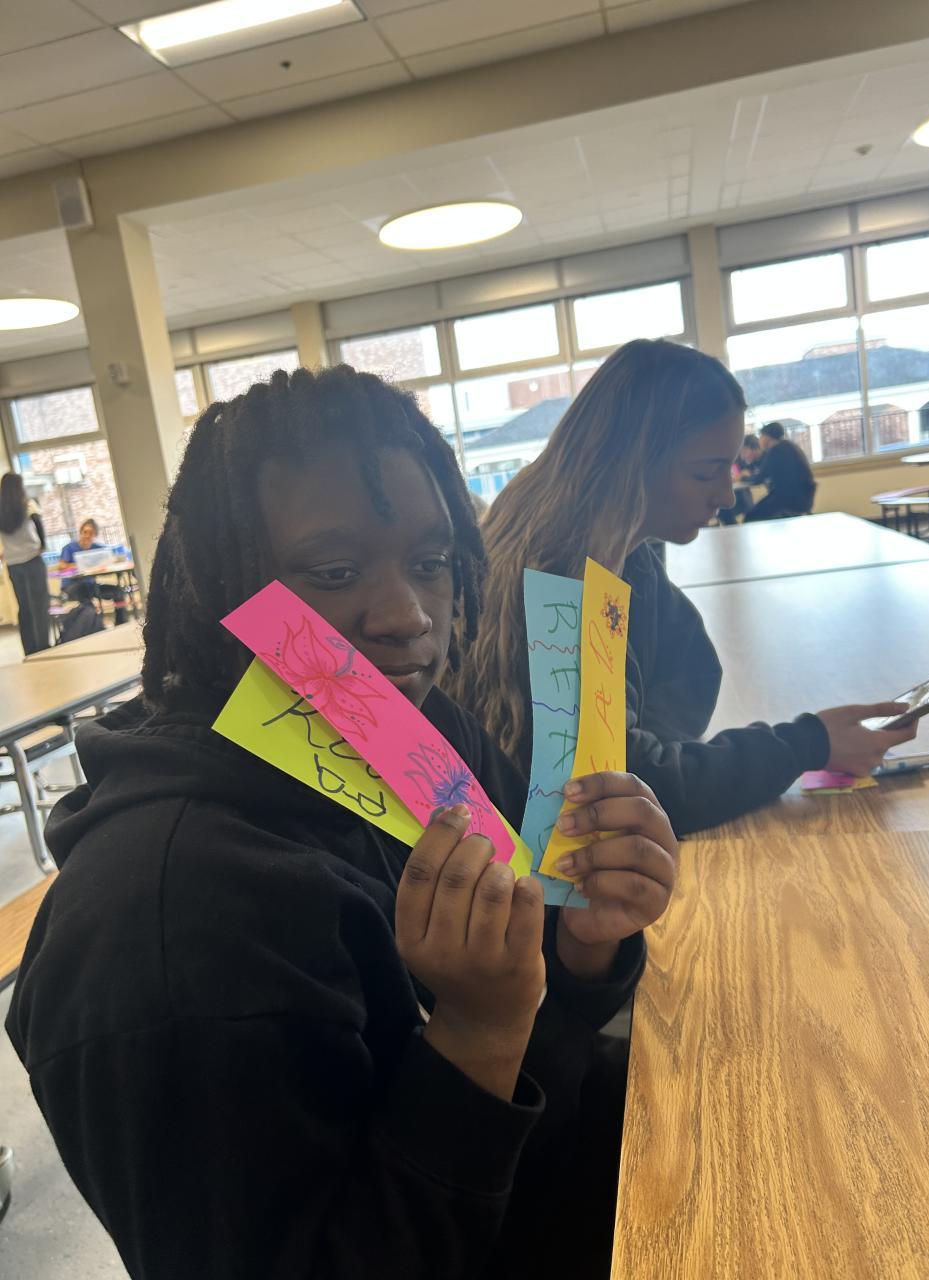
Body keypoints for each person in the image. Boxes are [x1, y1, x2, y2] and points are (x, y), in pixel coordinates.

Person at [6, 365, 678, 1280]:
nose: (408, 617)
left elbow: (545, 1034)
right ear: (217, 585)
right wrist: (478, 1032)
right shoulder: (164, 925)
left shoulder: (402, 729)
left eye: (431, 562)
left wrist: (580, 946)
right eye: (333, 572)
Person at [446, 339, 916, 836]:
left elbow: (678, 683)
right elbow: (631, 789)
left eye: (727, 469)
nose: (725, 495)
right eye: (705, 472)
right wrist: (807, 744)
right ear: (631, 463)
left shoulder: (614, 540)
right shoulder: (564, 579)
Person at [0, 472, 51, 655]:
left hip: (13, 564)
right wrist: (42, 546)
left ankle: (29, 650)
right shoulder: (28, 504)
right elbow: (39, 527)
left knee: (24, 607)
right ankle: (43, 648)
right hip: (32, 559)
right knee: (40, 605)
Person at [58, 517, 128, 624]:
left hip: (91, 585)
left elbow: (110, 558)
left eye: (91, 533)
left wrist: (110, 561)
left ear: (95, 535)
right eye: (85, 532)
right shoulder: (69, 548)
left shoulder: (98, 548)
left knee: (118, 591)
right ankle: (95, 625)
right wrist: (79, 565)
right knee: (84, 591)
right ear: (80, 532)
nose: (87, 535)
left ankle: (121, 623)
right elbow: (62, 567)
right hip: (72, 587)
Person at [742, 421, 817, 521]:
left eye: (761, 436)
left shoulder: (776, 450)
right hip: (804, 497)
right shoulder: (789, 446)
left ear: (767, 437)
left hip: (789, 499)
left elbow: (758, 479)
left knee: (750, 517)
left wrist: (743, 477)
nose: (760, 440)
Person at [717, 433, 761, 525]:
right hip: (735, 496)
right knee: (724, 511)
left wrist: (741, 476)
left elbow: (747, 474)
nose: (744, 455)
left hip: (741, 497)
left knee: (725, 511)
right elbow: (736, 476)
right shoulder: (732, 459)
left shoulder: (749, 461)